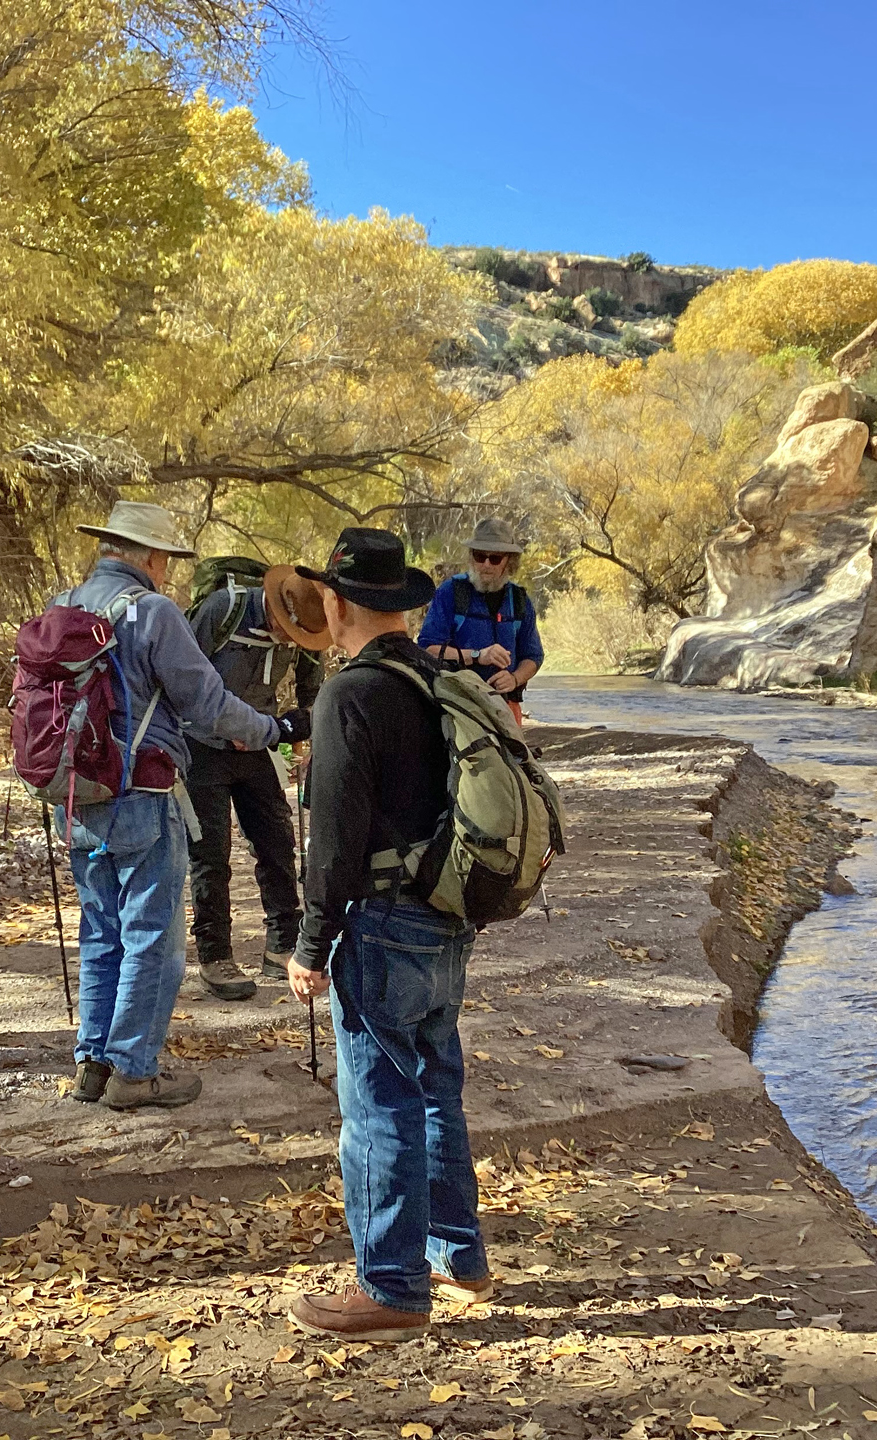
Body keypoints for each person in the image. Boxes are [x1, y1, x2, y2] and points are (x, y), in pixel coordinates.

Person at [285, 527, 491, 1343]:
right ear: (401, 604)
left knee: (376, 1106)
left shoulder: (350, 695)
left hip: (382, 923)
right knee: (436, 1087)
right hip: (448, 915)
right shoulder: (435, 679)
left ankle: (393, 1289)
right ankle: (459, 1258)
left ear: (336, 603)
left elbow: (332, 841)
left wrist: (308, 944)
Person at [60, 502, 306, 1111]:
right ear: (148, 556)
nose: (168, 571)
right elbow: (208, 703)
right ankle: (135, 1073)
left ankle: (94, 1064)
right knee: (152, 937)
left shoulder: (65, 602)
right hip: (142, 789)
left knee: (100, 931)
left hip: (74, 790)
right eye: (165, 558)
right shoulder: (152, 612)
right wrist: (272, 729)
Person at [184, 565, 328, 1001]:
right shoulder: (221, 611)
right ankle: (215, 956)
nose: (292, 640)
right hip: (202, 745)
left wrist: (309, 734)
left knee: (277, 842)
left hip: (260, 744)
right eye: (288, 631)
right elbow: (182, 674)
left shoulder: (305, 629)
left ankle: (282, 945)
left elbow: (311, 686)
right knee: (210, 854)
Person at [418, 516, 543, 725]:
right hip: (458, 707)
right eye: (479, 556)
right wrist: (478, 655)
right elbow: (427, 648)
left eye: (495, 558)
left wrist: (514, 679)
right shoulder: (450, 593)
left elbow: (533, 656)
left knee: (512, 759)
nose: (486, 564)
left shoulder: (519, 600)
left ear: (508, 562)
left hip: (505, 710)